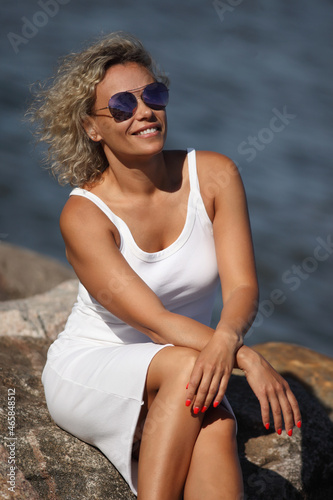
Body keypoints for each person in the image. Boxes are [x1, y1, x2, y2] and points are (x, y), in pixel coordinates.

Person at [28, 32, 301, 499]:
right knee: (184, 370)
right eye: (121, 106)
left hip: (193, 365)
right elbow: (154, 324)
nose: (145, 112)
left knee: (215, 421)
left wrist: (227, 339)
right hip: (96, 367)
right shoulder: (84, 214)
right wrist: (246, 358)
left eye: (153, 95)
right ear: (92, 128)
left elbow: (242, 289)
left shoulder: (215, 175)